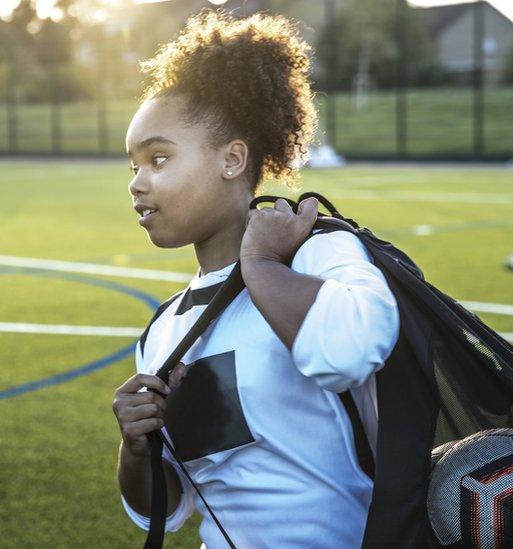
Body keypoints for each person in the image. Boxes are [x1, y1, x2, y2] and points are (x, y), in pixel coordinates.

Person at [111, 9, 401, 548]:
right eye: (133, 166)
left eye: (158, 158)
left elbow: (351, 349)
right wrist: (135, 448)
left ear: (232, 159)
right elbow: (169, 508)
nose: (138, 184)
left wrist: (262, 265)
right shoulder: (162, 332)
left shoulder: (316, 253)